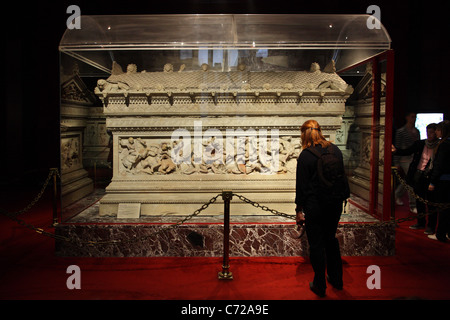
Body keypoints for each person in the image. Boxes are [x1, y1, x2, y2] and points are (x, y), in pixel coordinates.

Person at [295, 119, 348, 297]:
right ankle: (337, 279)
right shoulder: (336, 150)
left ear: (304, 134)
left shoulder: (306, 155)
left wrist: (299, 210)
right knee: (330, 239)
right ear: (320, 131)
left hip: (315, 205)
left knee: (317, 244)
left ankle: (319, 284)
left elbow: (301, 186)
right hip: (335, 204)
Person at [392, 123, 439, 234]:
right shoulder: (421, 143)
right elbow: (408, 151)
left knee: (431, 203)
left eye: (432, 132)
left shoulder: (439, 146)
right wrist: (396, 151)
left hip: (431, 176)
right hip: (419, 174)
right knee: (419, 201)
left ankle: (431, 226)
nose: (429, 134)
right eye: (428, 132)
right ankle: (421, 222)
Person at [393, 112, 421, 213]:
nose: (413, 119)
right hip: (404, 159)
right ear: (407, 117)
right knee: (411, 181)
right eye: (412, 117)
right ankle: (413, 204)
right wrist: (396, 162)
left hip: (414, 159)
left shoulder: (416, 131)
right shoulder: (401, 131)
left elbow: (418, 146)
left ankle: (397, 194)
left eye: (415, 117)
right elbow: (397, 146)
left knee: (407, 180)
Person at [428, 120, 450, 242]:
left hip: (443, 181)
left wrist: (432, 182)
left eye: (437, 129)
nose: (435, 132)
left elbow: (439, 165)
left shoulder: (444, 145)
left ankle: (440, 234)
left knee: (443, 209)